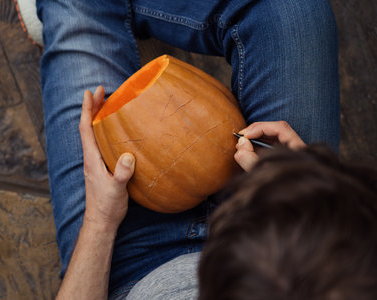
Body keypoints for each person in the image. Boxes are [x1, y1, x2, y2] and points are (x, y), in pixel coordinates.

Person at [36, 0, 340, 298]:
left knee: (73, 7)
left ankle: (104, 13)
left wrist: (100, 220)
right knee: (292, 9)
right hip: (273, 234)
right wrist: (308, 199)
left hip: (125, 257)